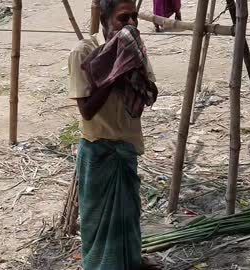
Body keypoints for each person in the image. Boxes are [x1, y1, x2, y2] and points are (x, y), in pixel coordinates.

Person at [67, 0, 161, 269]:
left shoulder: (134, 49)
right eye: (123, 18)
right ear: (105, 21)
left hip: (127, 147)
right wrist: (114, 72)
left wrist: (133, 67)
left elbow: (149, 93)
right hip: (99, 151)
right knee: (98, 224)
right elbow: (86, 111)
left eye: (134, 17)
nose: (131, 24)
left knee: (129, 216)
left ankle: (132, 262)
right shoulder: (84, 52)